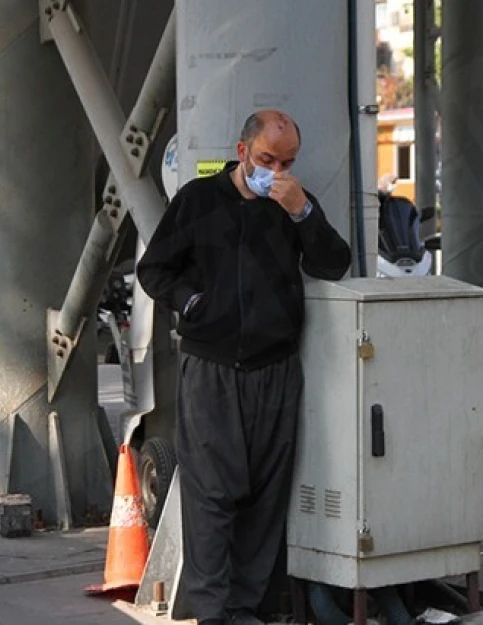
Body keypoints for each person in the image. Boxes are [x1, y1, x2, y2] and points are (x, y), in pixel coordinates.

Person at [136, 109, 352, 625]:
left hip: (275, 369)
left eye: (286, 161)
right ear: (241, 153)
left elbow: (332, 263)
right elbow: (154, 269)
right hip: (211, 370)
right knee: (211, 493)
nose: (275, 170)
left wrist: (304, 213)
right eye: (265, 159)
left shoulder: (293, 203)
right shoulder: (199, 200)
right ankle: (212, 612)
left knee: (265, 493)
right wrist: (190, 303)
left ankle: (247, 608)